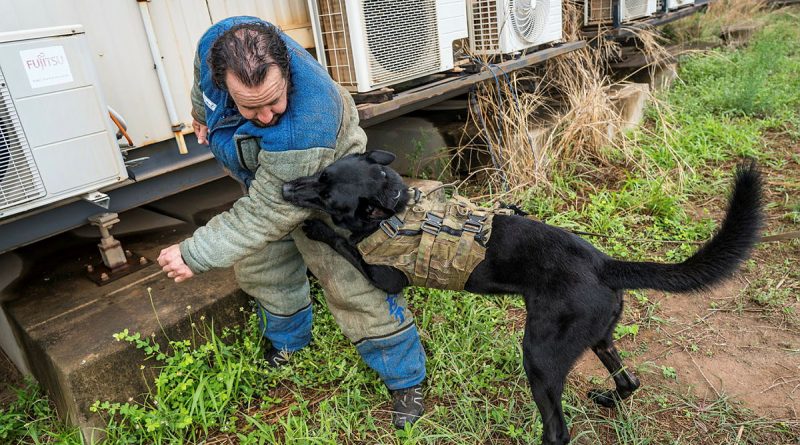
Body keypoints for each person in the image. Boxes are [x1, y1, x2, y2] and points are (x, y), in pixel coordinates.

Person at [156, 16, 426, 428]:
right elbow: (201, 83)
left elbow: (266, 213)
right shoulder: (218, 40)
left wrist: (194, 253)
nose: (265, 116)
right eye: (250, 106)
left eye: (274, 101)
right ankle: (288, 343)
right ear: (224, 79)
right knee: (262, 267)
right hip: (266, 181)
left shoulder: (307, 125)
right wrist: (200, 113)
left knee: (352, 282)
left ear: (287, 72)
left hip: (329, 192)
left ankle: (405, 378)